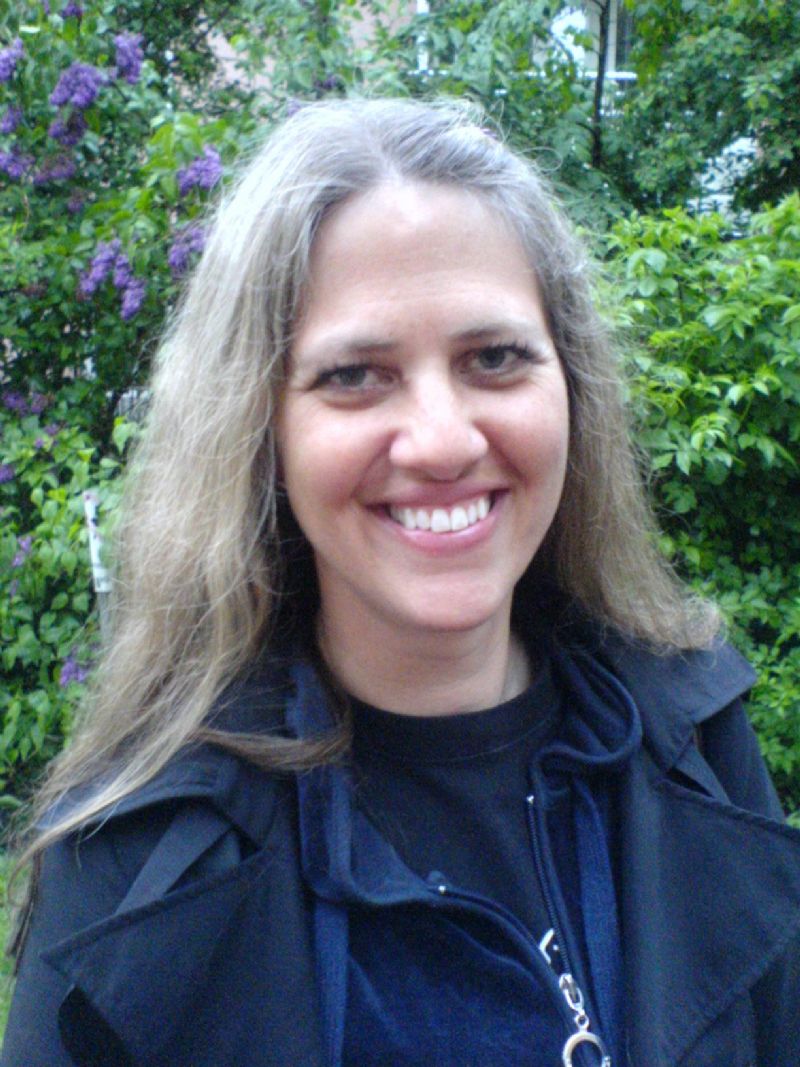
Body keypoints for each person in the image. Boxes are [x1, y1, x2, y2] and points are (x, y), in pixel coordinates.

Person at [2, 97, 800, 1067]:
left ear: (571, 386)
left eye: (494, 358)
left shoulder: (697, 739)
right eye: (354, 375)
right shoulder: (142, 866)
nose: (441, 441)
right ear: (259, 429)